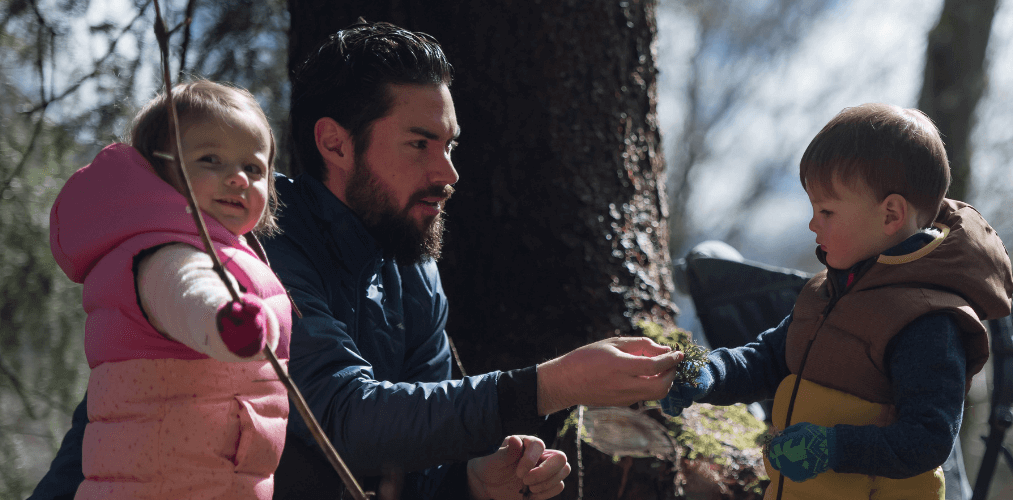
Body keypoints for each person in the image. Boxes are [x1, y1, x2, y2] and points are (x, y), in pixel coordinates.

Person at [28, 21, 683, 500]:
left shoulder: (413, 272)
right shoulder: (251, 240)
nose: (448, 171)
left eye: (450, 144)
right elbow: (342, 420)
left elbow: (405, 458)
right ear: (335, 144)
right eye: (420, 143)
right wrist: (550, 384)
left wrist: (473, 479)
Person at [660, 103, 1013, 499]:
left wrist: (831, 448)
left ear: (891, 215)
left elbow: (928, 438)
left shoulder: (928, 320)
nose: (813, 223)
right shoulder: (826, 292)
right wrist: (707, 374)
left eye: (826, 210)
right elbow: (768, 359)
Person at [48, 80, 292, 498]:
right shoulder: (164, 251)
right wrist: (225, 317)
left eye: (253, 168)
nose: (237, 178)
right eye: (210, 160)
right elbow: (188, 289)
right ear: (158, 172)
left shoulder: (229, 252)